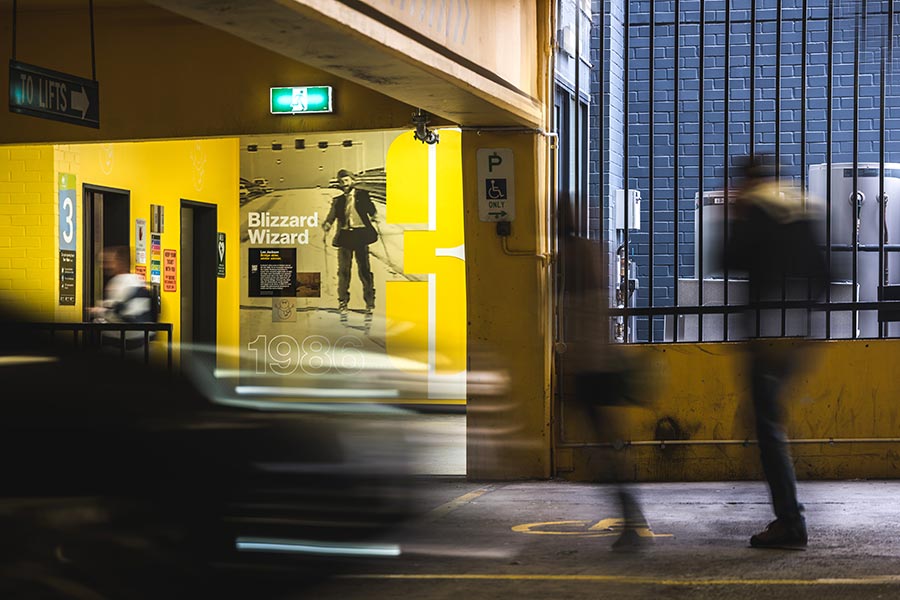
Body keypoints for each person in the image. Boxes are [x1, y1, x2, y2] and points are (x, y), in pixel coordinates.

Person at [723, 153, 829, 550]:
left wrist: (735, 217)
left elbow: (727, 259)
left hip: (765, 334)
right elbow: (826, 273)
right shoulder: (802, 208)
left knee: (766, 427)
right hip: (797, 333)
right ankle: (787, 514)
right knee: (766, 421)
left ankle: (790, 522)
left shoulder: (755, 212)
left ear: (748, 182)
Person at [560, 201, 653, 551]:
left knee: (605, 448)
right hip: (600, 363)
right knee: (607, 445)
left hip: (587, 367)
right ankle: (631, 516)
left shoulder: (569, 257)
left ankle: (632, 518)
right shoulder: (594, 253)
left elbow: (574, 316)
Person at [322, 169, 378, 322]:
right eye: (341, 182)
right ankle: (343, 302)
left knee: (364, 270)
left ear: (352, 181)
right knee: (344, 271)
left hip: (360, 236)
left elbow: (371, 210)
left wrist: (374, 215)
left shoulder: (362, 195)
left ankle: (369, 302)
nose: (344, 184)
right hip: (345, 237)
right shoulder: (338, 200)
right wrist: (327, 223)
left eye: (347, 180)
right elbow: (332, 215)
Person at [89, 245, 157, 349]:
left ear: (120, 262)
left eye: (110, 261)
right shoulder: (138, 280)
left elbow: (118, 311)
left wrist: (98, 311)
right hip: (143, 338)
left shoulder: (119, 282)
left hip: (128, 339)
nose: (105, 266)